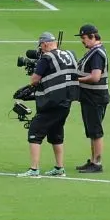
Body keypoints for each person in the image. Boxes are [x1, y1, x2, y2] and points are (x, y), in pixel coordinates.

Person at [23, 31, 80, 178]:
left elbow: (34, 80)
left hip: (52, 101)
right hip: (67, 100)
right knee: (56, 133)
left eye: (41, 46)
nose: (40, 49)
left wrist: (36, 73)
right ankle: (59, 168)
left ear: (46, 43)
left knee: (34, 133)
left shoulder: (47, 58)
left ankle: (34, 169)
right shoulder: (69, 54)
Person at [75, 23, 110, 174]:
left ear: (93, 37)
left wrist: (76, 80)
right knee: (92, 130)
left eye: (84, 38)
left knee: (95, 131)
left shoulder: (96, 54)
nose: (82, 41)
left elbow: (95, 77)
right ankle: (93, 160)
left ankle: (97, 163)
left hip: (95, 97)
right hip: (90, 97)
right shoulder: (93, 51)